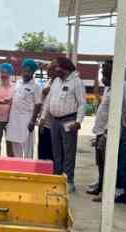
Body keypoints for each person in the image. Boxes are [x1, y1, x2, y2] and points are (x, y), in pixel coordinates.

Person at [88, 60, 126, 203]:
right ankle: (101, 186)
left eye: (105, 69)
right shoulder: (109, 86)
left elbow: (124, 110)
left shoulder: (122, 86)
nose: (102, 72)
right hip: (101, 130)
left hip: (113, 131)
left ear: (114, 70)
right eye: (102, 69)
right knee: (101, 162)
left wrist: (115, 131)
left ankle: (109, 191)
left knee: (109, 163)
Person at [40, 57, 86, 193]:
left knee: (68, 152)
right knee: (56, 152)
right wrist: (43, 117)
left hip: (69, 121)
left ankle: (69, 181)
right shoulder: (56, 81)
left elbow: (82, 103)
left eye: (57, 67)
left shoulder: (76, 82)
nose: (55, 70)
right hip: (54, 120)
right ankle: (57, 178)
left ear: (64, 68)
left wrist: (78, 121)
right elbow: (48, 101)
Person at [6, 59, 42, 159]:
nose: (26, 73)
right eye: (24, 70)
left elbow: (38, 104)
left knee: (27, 149)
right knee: (15, 145)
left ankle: (28, 171)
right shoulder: (18, 83)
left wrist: (33, 121)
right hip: (14, 120)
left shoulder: (36, 87)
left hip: (27, 120)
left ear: (33, 72)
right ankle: (18, 169)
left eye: (29, 71)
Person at [0, 63, 15, 156]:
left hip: (11, 120)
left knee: (11, 144)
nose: (3, 75)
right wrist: (2, 101)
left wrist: (10, 101)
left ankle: (11, 164)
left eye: (6, 73)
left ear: (10, 74)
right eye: (2, 72)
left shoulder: (15, 87)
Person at [38, 61, 59, 161]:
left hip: (51, 123)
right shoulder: (49, 81)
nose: (48, 71)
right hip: (44, 120)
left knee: (50, 151)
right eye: (48, 69)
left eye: (51, 69)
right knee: (42, 151)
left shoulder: (58, 83)